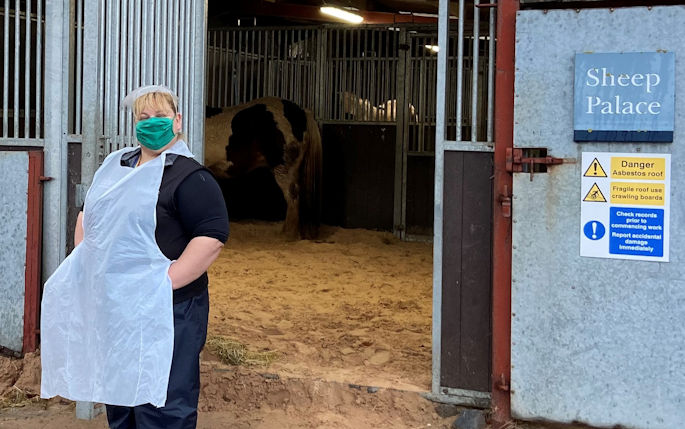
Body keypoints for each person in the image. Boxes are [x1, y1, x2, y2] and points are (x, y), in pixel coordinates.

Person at [40, 85, 229, 429]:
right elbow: (89, 215)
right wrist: (88, 264)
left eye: (160, 116)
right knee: (123, 392)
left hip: (170, 307)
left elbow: (211, 236)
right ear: (134, 124)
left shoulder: (189, 176)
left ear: (178, 121)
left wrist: (164, 283)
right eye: (144, 117)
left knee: (164, 398)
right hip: (119, 304)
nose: (151, 123)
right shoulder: (116, 165)